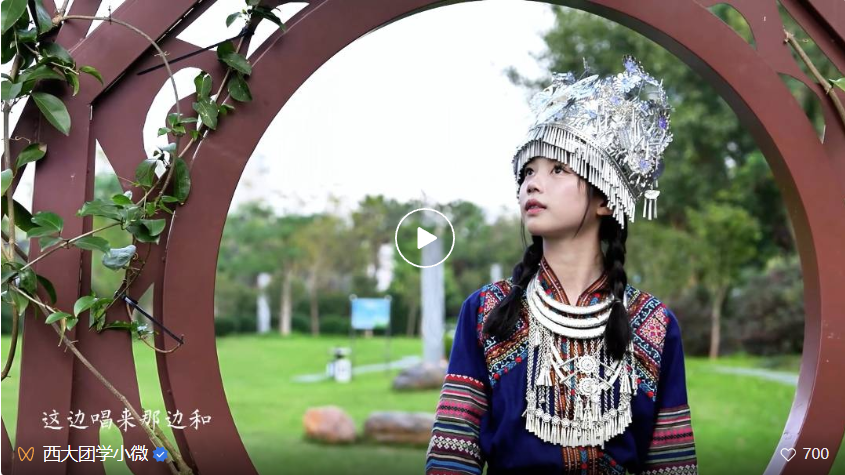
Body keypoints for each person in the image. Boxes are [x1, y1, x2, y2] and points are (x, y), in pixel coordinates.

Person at [425, 57, 697, 475]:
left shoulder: (654, 324)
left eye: (557, 169)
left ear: (606, 201)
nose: (532, 184)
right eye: (527, 173)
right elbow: (451, 457)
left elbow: (671, 464)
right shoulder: (486, 311)